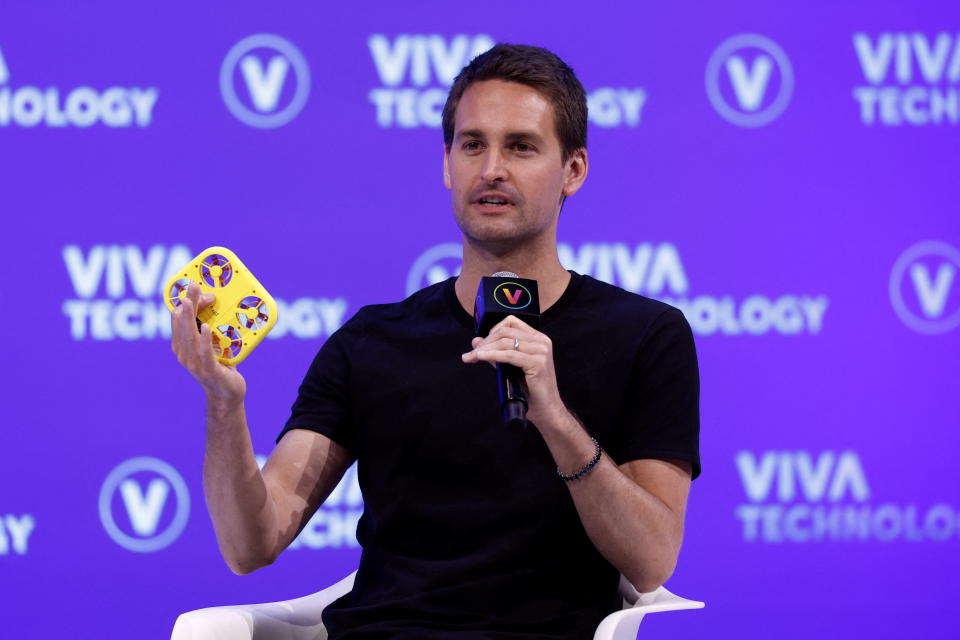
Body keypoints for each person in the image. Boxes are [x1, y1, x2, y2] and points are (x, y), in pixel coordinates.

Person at [171, 43, 700, 639]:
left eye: (521, 146)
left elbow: (653, 559)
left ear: (573, 170)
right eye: (472, 144)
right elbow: (251, 544)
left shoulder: (646, 334)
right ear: (447, 165)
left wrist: (554, 418)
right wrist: (224, 403)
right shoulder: (373, 340)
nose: (492, 169)